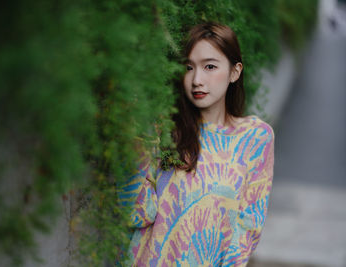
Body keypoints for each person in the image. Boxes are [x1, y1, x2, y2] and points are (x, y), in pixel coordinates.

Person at [118, 22, 275, 267]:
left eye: (209, 66)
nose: (197, 80)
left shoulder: (255, 138)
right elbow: (135, 214)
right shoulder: (163, 129)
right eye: (189, 68)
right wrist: (138, 138)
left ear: (235, 72)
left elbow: (247, 229)